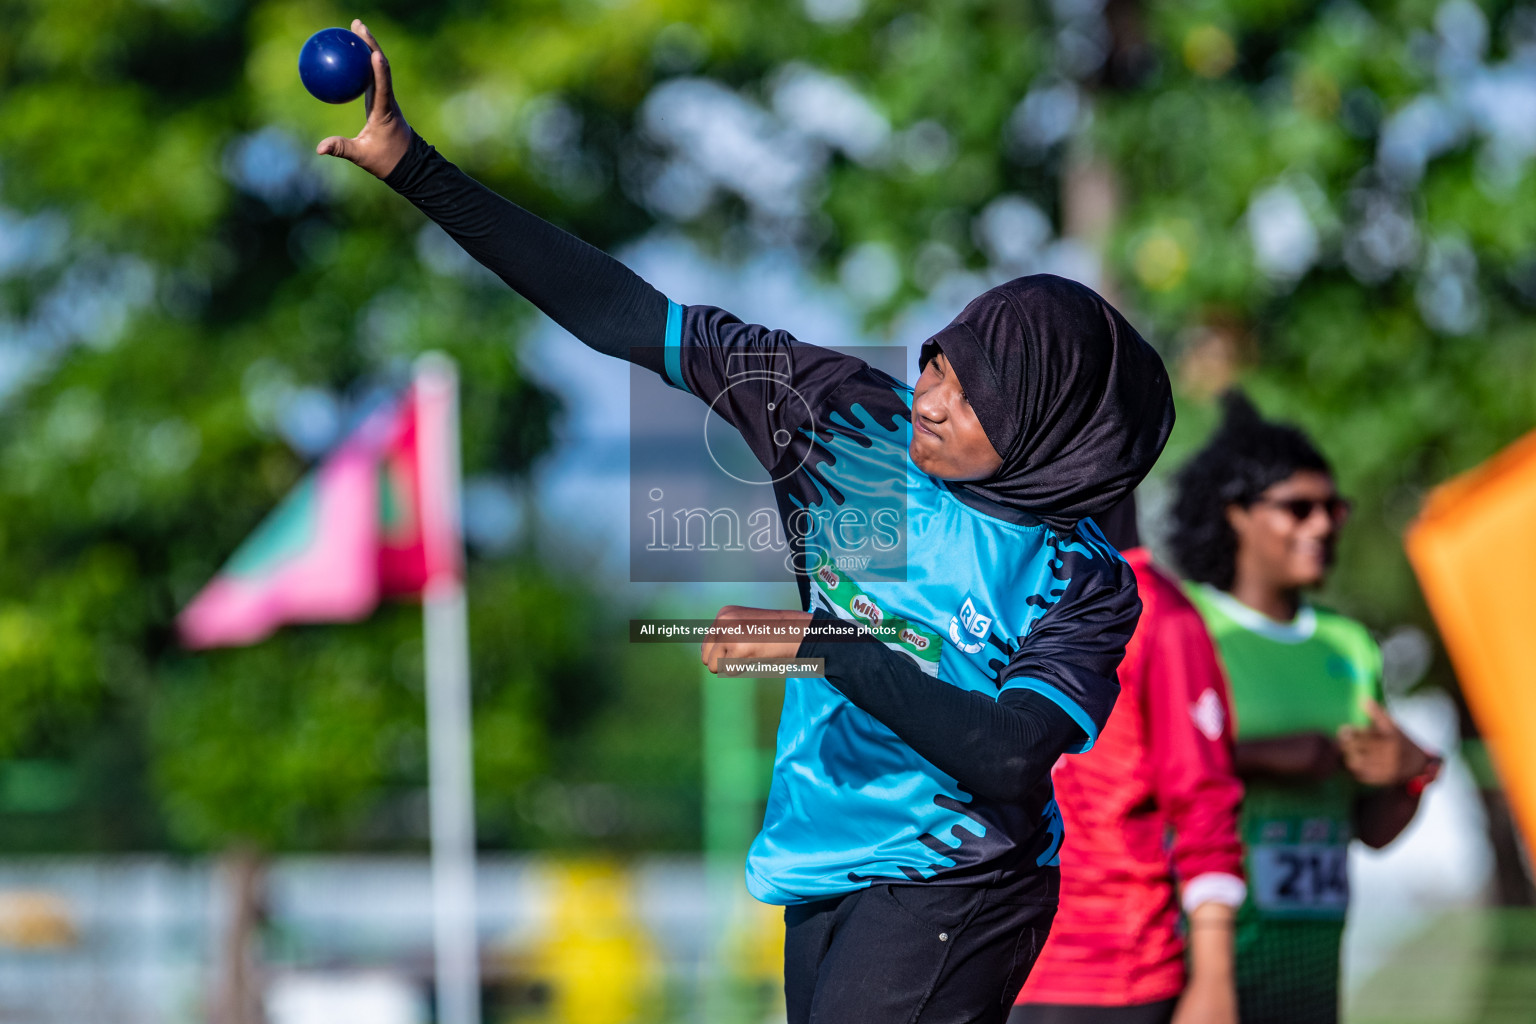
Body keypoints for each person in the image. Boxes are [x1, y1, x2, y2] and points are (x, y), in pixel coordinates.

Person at [317, 22, 1174, 1022]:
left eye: (977, 396)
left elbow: (1013, 757)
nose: (934, 397)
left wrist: (827, 650)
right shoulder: (843, 420)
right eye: (940, 360)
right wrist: (415, 168)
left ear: (1052, 430)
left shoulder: (1080, 576)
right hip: (823, 855)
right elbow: (626, 316)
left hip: (964, 882)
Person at [1166, 391, 1440, 1024]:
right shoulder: (1188, 628)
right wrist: (1266, 757)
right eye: (1298, 508)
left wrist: (1412, 773)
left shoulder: (1349, 645)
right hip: (1199, 973)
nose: (1323, 525)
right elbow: (1137, 773)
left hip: (1310, 981)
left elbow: (1369, 831)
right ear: (1235, 514)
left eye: (1332, 508)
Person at [1012, 497, 1245, 1024]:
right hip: (982, 955)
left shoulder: (1157, 607)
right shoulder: (985, 582)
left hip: (1111, 976)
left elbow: (1204, 802)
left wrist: (1213, 979)